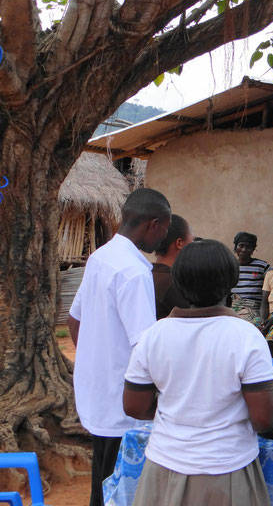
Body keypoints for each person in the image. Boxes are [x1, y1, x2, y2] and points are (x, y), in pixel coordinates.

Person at [123, 239, 273, 506]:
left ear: (179, 281)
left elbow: (134, 406)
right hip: (226, 471)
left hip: (163, 467)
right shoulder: (246, 336)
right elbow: (265, 418)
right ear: (230, 281)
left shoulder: (153, 335)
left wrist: (181, 412)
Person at [66, 188, 171, 506]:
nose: (163, 238)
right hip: (123, 403)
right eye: (165, 229)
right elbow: (145, 346)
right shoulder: (134, 271)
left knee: (102, 480)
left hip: (97, 394)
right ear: (153, 225)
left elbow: (74, 321)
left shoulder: (100, 257)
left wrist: (94, 364)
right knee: (117, 488)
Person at [152, 214, 194, 319]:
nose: (194, 247)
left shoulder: (147, 273)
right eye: (192, 240)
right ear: (179, 243)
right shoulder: (174, 284)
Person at [231, 231, 272, 326]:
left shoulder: (262, 267)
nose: (244, 249)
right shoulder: (230, 267)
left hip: (254, 309)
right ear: (235, 247)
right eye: (241, 245)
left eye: (248, 247)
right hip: (234, 307)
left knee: (240, 324)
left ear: (253, 250)